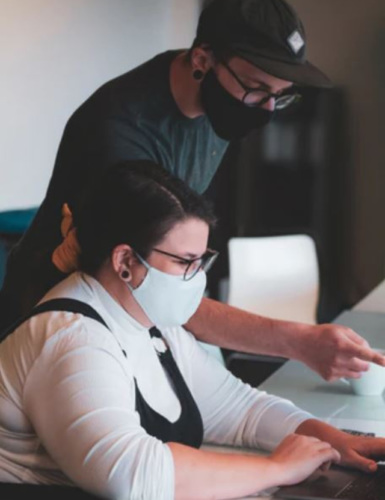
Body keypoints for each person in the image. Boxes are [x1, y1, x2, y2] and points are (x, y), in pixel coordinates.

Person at [1, 0, 384, 380]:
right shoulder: (121, 134)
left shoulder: (213, 106)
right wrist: (299, 341)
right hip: (54, 322)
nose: (266, 109)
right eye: (256, 88)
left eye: (279, 95)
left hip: (127, 312)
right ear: (202, 60)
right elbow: (158, 293)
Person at [1, 161, 384, 500]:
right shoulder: (73, 339)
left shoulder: (150, 323)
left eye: (202, 260)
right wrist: (279, 468)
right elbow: (131, 476)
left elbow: (239, 409)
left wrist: (328, 437)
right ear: (125, 262)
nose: (196, 278)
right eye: (185, 262)